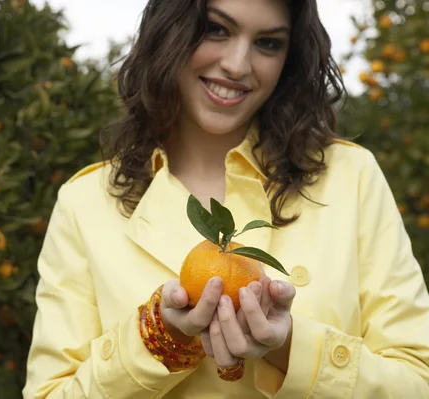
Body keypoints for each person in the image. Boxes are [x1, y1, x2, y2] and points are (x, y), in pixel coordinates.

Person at [23, 0, 429, 397]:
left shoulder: (349, 176)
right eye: (217, 29)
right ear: (170, 29)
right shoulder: (85, 202)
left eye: (268, 43)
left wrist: (291, 346)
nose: (238, 65)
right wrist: (157, 338)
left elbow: (418, 380)